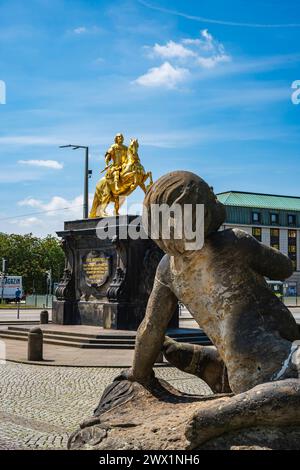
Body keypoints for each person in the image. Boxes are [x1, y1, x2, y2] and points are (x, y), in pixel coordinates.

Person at [128, 171, 300, 395]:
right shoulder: (234, 242)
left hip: (240, 372)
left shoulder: (167, 267)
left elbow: (150, 327)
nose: (216, 199)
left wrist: (138, 374)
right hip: (279, 357)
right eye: (211, 195)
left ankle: (208, 361)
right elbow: (284, 268)